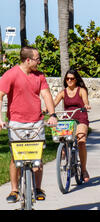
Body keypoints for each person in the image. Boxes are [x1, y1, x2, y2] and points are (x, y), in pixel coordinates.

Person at [0, 46, 58, 203]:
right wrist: (0, 119)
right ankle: (14, 190)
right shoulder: (11, 75)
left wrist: (52, 115)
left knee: (37, 157)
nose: (39, 62)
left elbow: (46, 95)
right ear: (28, 60)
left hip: (36, 122)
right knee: (15, 158)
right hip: (16, 123)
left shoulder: (39, 76)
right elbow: (0, 95)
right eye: (37, 59)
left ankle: (38, 187)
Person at [54, 69, 91, 182]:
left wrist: (86, 105)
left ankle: (83, 169)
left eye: (72, 79)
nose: (69, 81)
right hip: (68, 118)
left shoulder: (81, 90)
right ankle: (64, 153)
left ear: (76, 80)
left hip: (80, 117)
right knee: (62, 139)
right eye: (67, 79)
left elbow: (85, 101)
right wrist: (47, 109)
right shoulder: (63, 92)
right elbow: (54, 103)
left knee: (81, 141)